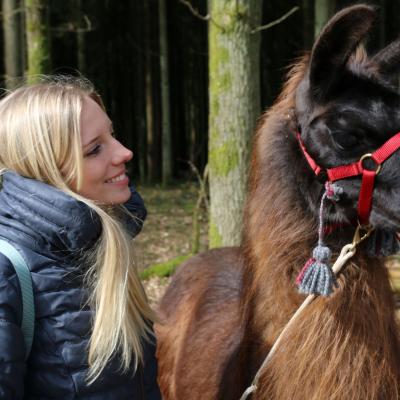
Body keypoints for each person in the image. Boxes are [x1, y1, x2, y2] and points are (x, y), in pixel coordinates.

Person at [0, 76, 161, 399]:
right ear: (46, 169)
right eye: (94, 149)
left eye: (111, 135)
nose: (125, 152)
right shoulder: (8, 273)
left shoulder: (103, 242)